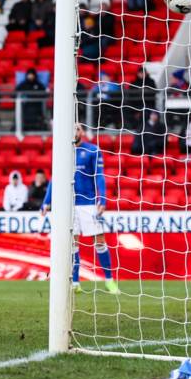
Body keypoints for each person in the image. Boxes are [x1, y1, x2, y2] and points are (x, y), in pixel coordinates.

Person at [42, 124, 118, 294]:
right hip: (68, 205)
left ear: (82, 132)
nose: (74, 131)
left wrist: (102, 197)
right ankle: (75, 283)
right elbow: (55, 179)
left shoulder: (92, 150)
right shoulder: (63, 151)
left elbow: (99, 175)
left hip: (89, 204)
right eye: (72, 128)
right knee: (73, 243)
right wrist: (47, 201)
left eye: (77, 128)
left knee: (99, 240)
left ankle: (109, 280)